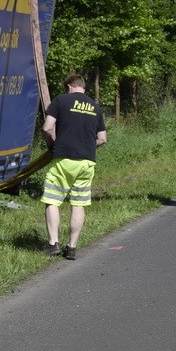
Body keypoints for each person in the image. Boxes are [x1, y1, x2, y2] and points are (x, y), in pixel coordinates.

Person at [40, 74, 107, 260]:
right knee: (78, 203)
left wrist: (52, 144)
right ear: (83, 88)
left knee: (52, 200)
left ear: (69, 87)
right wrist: (86, 147)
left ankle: (53, 244)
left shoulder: (61, 100)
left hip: (63, 159)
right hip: (87, 161)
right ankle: (72, 247)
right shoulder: (95, 107)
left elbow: (46, 128)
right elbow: (102, 138)